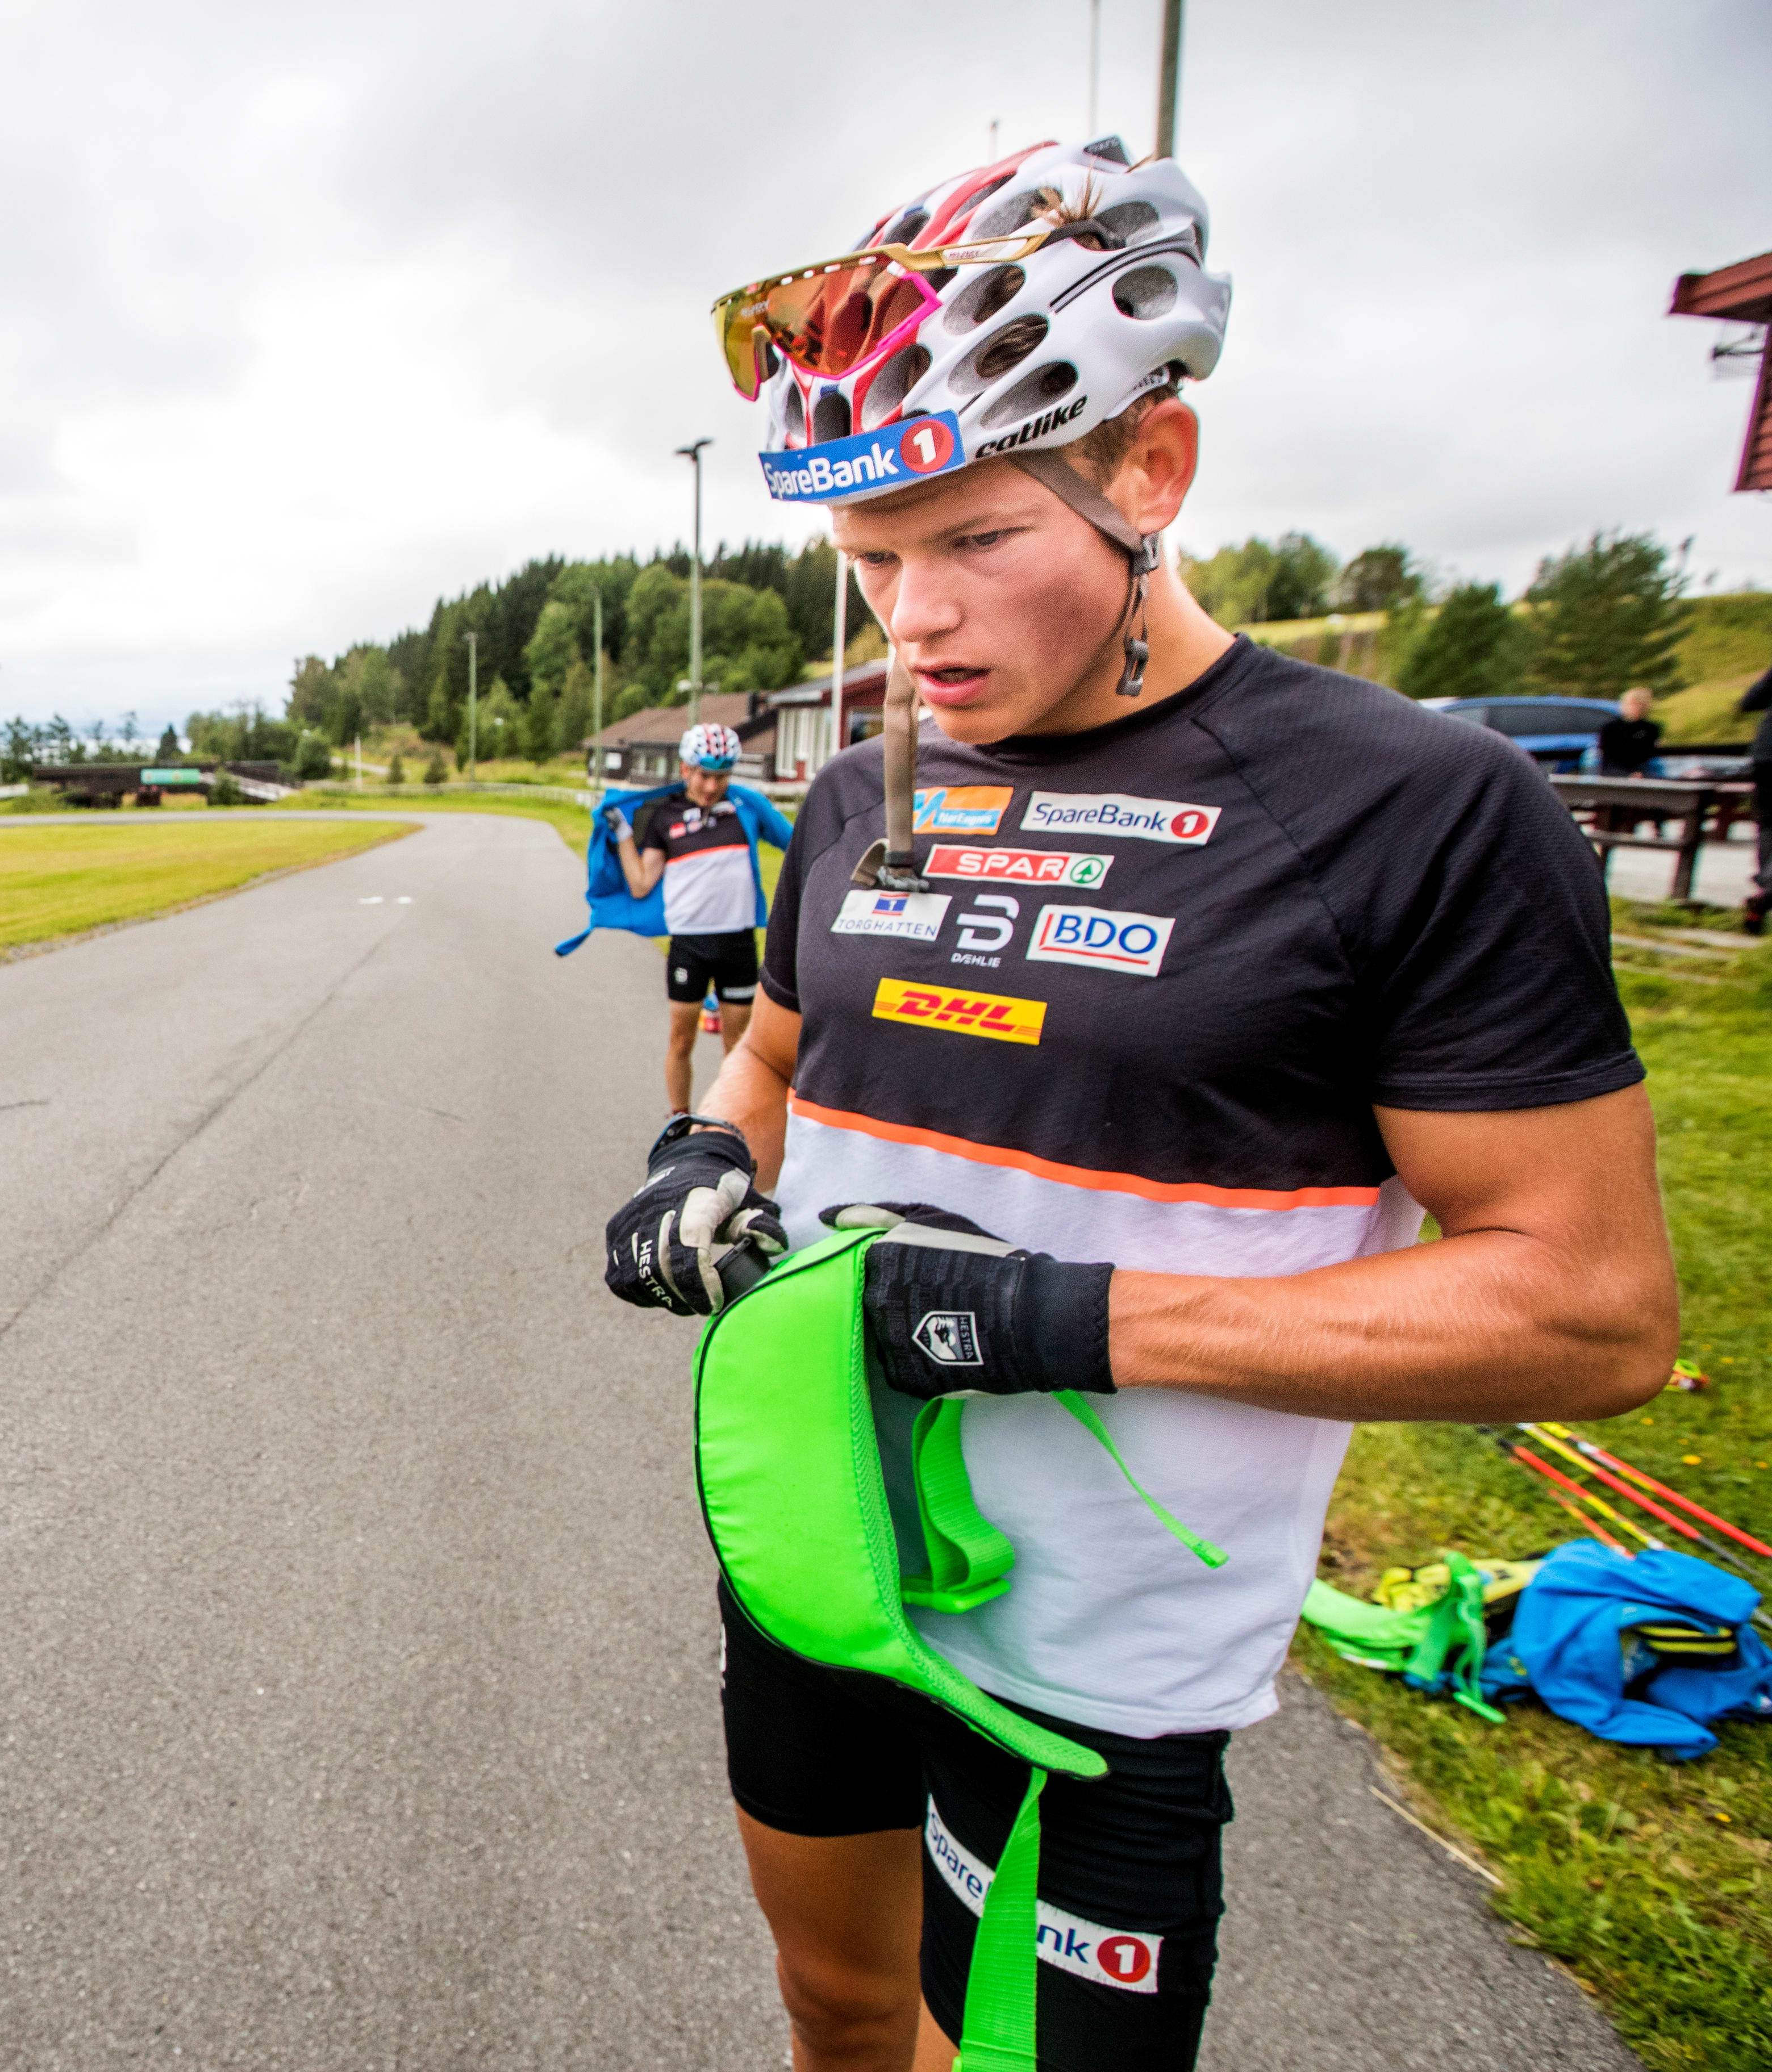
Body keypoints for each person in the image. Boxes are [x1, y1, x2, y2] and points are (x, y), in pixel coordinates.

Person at [607, 137, 1675, 2071]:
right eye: (869, 560)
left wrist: (1044, 1319)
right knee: (838, 2006)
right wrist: (703, 1149)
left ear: (1152, 471)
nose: (910, 624)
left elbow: (1590, 1310)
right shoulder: (864, 785)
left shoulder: (1415, 808)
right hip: (822, 1547)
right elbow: (778, 1053)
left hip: (1098, 1658)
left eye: (972, 540)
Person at [610, 720, 795, 1113]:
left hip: (738, 944)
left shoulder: (747, 806)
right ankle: (679, 1118)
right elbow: (641, 884)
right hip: (689, 946)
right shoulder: (666, 817)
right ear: (685, 769)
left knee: (740, 1047)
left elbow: (797, 844)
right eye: (704, 776)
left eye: (722, 777)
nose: (712, 787)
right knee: (682, 1040)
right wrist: (624, 835)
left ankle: (733, 1121)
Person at [1738, 665, 1772, 931]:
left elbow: (1749, 703)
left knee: (1768, 825)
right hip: (1766, 759)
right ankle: (1767, 894)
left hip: (1765, 758)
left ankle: (1764, 894)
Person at [1594, 687, 1662, 776]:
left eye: (1639, 704)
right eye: (1632, 704)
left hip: (1643, 773)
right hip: (1614, 774)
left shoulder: (1651, 729)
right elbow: (1608, 756)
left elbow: (1648, 756)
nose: (1635, 708)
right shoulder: (1610, 728)